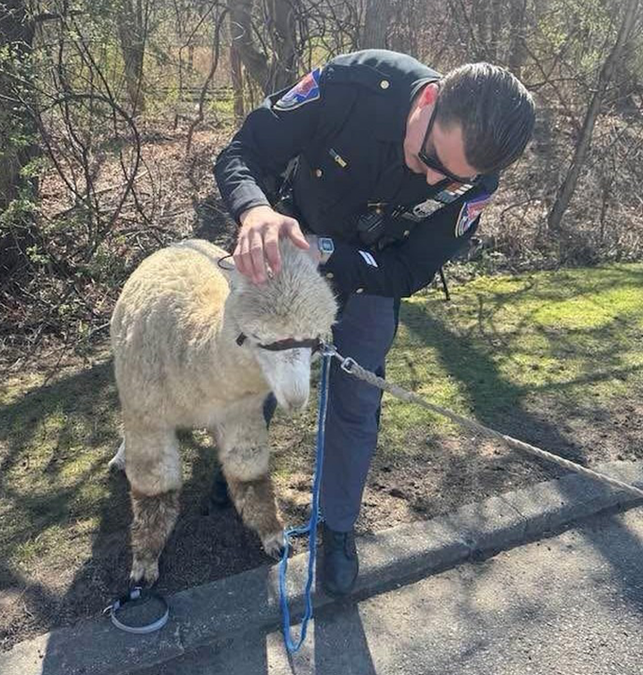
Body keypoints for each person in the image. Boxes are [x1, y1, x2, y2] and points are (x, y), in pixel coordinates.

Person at [212, 49, 535, 595]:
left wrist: (332, 254)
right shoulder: (351, 84)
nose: (431, 177)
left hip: (370, 276)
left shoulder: (476, 179)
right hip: (286, 250)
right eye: (432, 155)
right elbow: (243, 151)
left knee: (357, 406)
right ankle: (237, 464)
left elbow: (412, 268)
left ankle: (337, 528)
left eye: (448, 177)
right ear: (430, 99)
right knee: (256, 374)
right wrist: (255, 211)